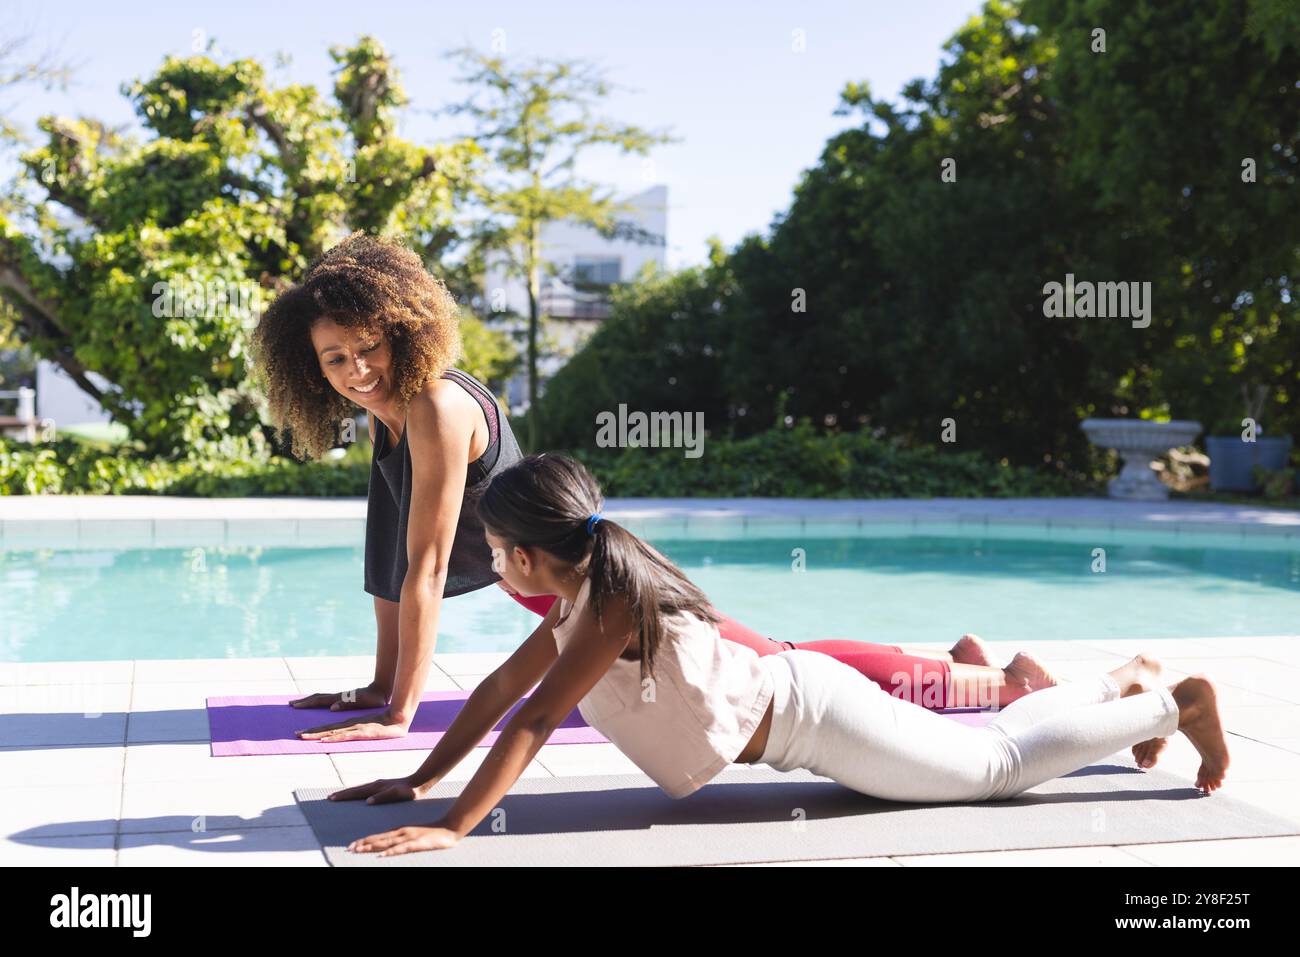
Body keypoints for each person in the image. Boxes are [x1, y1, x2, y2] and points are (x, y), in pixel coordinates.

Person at [249, 233, 1051, 743]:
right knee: (769, 656)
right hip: (563, 594)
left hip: (606, 587)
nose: (356, 370)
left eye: (367, 348)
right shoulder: (389, 413)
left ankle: (991, 681)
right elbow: (389, 560)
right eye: (334, 359)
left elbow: (424, 569)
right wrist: (381, 683)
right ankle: (949, 658)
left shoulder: (431, 403)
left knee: (773, 666)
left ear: (401, 328)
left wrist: (397, 717)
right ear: (309, 365)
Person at [330, 454, 1230, 857]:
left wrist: (454, 824)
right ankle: (1121, 681)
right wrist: (421, 780)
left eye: (492, 546)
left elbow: (533, 717)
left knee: (998, 768)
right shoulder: (579, 597)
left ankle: (1175, 703)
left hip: (824, 719)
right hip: (813, 709)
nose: (489, 560)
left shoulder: (606, 603)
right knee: (996, 735)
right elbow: (497, 690)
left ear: (528, 553)